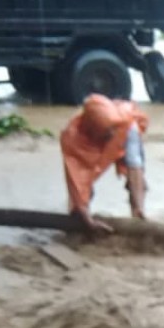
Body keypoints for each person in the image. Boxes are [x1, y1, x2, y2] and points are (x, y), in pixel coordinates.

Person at [60, 94, 149, 232]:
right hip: (90, 143)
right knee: (82, 195)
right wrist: (86, 218)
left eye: (112, 131)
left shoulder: (127, 125)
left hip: (124, 134)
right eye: (106, 133)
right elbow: (76, 181)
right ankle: (79, 223)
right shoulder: (72, 138)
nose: (111, 135)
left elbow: (134, 166)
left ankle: (137, 216)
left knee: (138, 183)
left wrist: (138, 207)